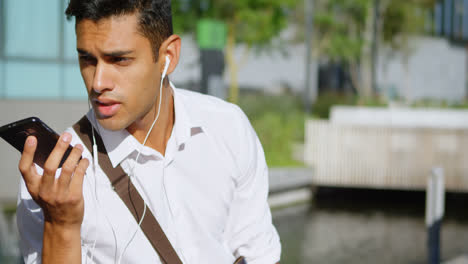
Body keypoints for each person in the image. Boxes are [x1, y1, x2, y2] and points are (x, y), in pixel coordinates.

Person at [16, 0, 281, 263]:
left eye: (119, 60)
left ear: (169, 56)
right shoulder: (53, 174)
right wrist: (60, 224)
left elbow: (258, 253)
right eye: (87, 59)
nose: (98, 83)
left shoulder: (227, 127)